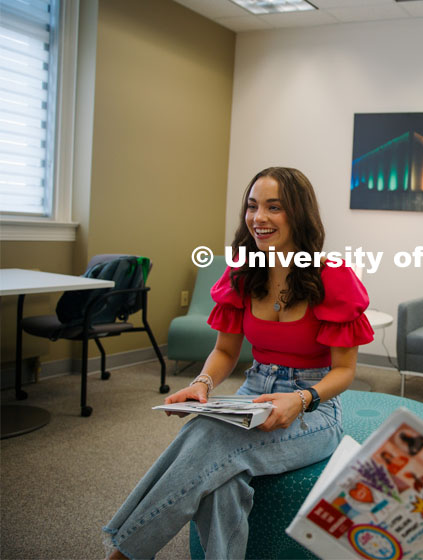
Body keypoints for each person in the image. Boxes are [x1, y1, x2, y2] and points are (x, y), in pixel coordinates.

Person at [103, 167, 374, 559]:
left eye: (273, 207)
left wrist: (299, 399)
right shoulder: (242, 272)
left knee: (209, 436)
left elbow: (345, 372)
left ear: (298, 214)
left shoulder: (333, 278)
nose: (258, 217)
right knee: (223, 478)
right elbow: (226, 353)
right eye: (252, 206)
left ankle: (124, 553)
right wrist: (202, 384)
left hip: (314, 408)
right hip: (252, 393)